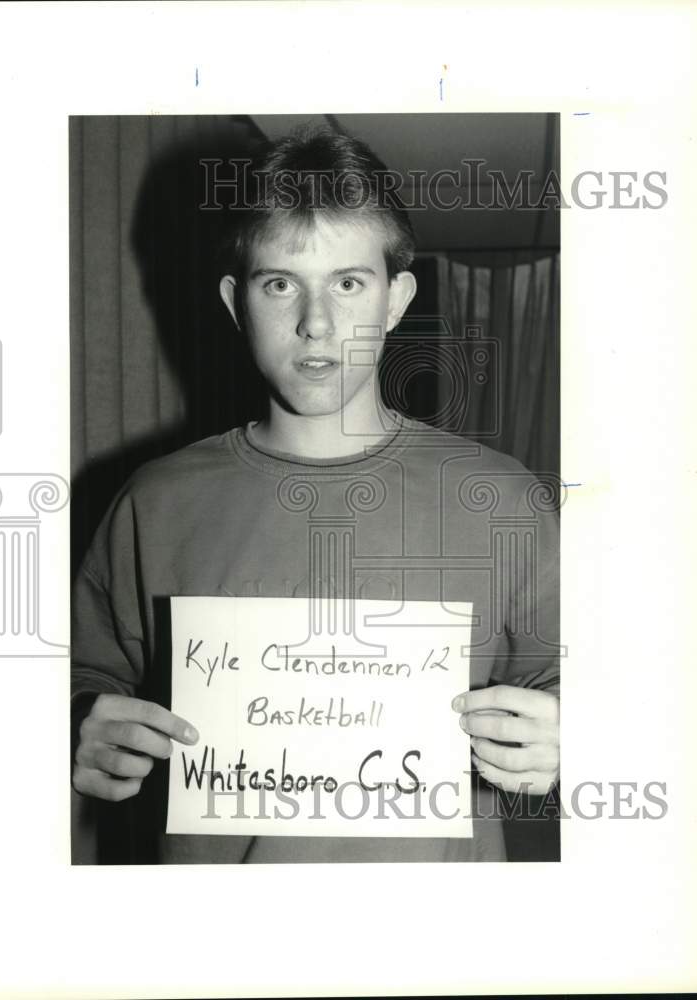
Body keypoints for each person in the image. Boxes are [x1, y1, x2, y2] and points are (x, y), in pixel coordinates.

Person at [71, 126, 560, 863]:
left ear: (396, 298)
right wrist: (76, 722)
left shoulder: (504, 498)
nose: (316, 323)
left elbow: (597, 684)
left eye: (348, 282)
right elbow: (83, 674)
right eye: (280, 283)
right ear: (237, 303)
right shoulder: (153, 502)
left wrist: (575, 732)